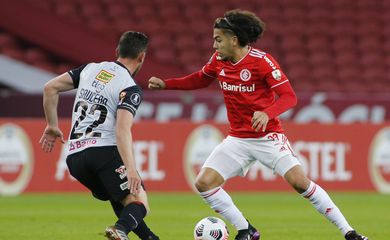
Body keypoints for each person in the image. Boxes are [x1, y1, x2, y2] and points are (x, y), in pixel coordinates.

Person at [148, 9, 368, 240]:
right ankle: (246, 230)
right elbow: (201, 78)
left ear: (234, 39)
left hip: (267, 137)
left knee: (299, 182)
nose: (214, 45)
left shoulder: (261, 62)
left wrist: (267, 113)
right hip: (238, 139)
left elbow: (289, 96)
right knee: (204, 183)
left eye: (218, 39)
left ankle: (350, 233)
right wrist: (166, 84)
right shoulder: (218, 61)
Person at [40, 31, 159, 240]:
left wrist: (52, 125)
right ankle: (120, 230)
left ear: (117, 51)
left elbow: (50, 88)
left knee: (120, 198)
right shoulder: (129, 87)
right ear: (142, 57)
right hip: (102, 151)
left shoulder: (89, 69)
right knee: (140, 200)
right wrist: (131, 169)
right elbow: (122, 131)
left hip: (74, 158)